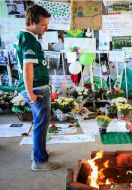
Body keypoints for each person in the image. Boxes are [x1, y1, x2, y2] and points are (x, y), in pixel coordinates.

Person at [14, 5, 60, 171]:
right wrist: (30, 93)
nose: (46, 28)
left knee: (40, 123)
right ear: (32, 22)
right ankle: (40, 162)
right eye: (43, 25)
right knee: (41, 124)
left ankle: (38, 153)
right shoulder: (29, 39)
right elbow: (27, 68)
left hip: (37, 87)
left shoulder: (26, 36)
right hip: (37, 89)